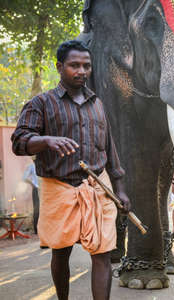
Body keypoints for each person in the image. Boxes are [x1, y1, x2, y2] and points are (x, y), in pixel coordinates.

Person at [11, 40, 130, 300]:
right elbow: (19, 142)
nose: (82, 71)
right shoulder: (41, 103)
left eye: (86, 66)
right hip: (58, 188)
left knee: (102, 253)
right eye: (74, 65)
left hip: (97, 188)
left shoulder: (98, 104)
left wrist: (119, 189)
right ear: (59, 67)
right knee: (61, 252)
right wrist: (45, 141)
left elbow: (110, 150)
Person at [23, 157, 40, 234]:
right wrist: (33, 184)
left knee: (45, 209)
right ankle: (37, 230)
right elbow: (24, 178)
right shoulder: (31, 166)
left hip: (45, 189)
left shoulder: (43, 166)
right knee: (36, 210)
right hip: (36, 189)